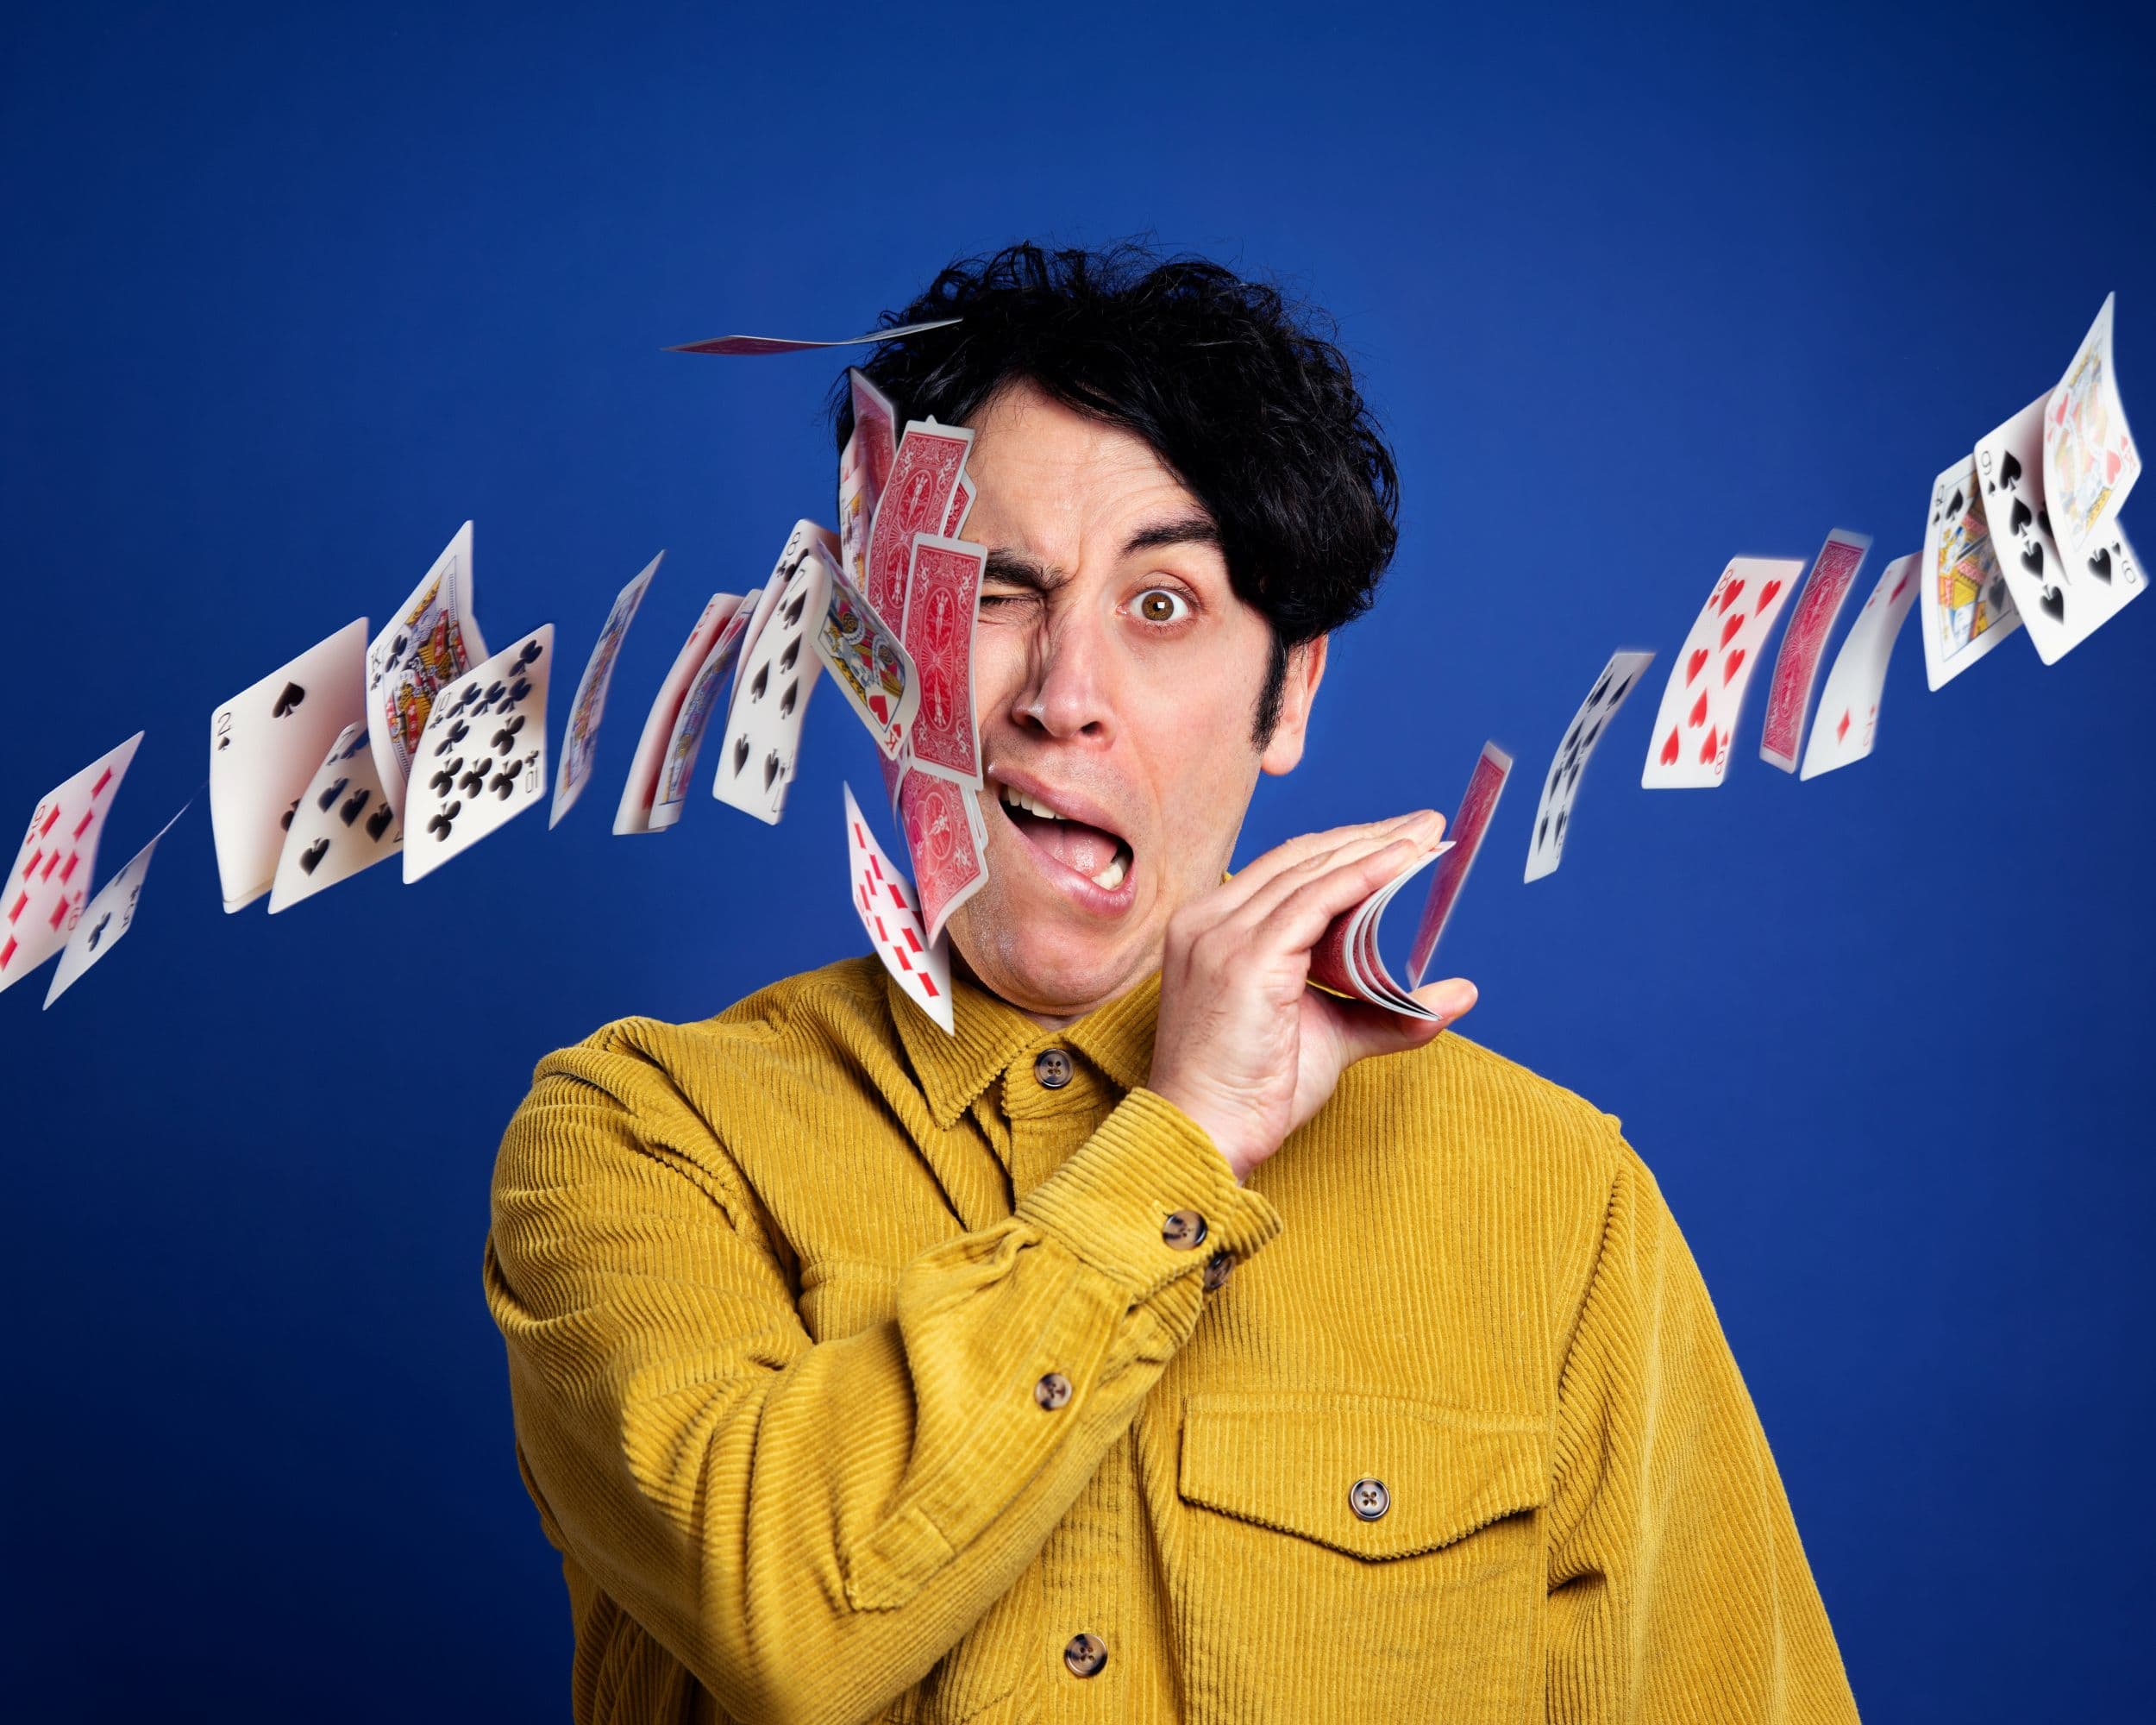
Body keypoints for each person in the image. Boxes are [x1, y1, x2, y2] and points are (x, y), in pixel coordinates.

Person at [484, 242, 1861, 1725]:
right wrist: (1180, 1146)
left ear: (1293, 696)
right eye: (999, 592)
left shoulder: (1563, 1205)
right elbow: (785, 1628)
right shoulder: (638, 1140)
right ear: (883, 654)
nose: (1062, 694)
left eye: (1162, 608)